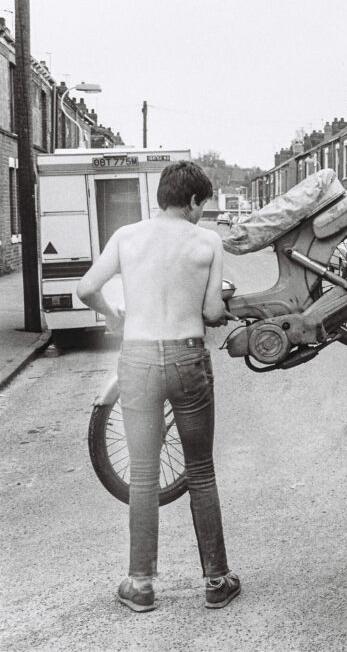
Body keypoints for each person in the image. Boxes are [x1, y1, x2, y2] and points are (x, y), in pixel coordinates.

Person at [76, 161, 240, 612]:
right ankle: (217, 580)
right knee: (201, 472)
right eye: (201, 206)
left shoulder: (127, 236)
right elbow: (211, 313)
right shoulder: (207, 241)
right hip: (188, 357)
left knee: (144, 476)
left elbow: (86, 287)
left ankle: (141, 585)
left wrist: (114, 315)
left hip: (139, 356)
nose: (201, 214)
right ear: (191, 201)